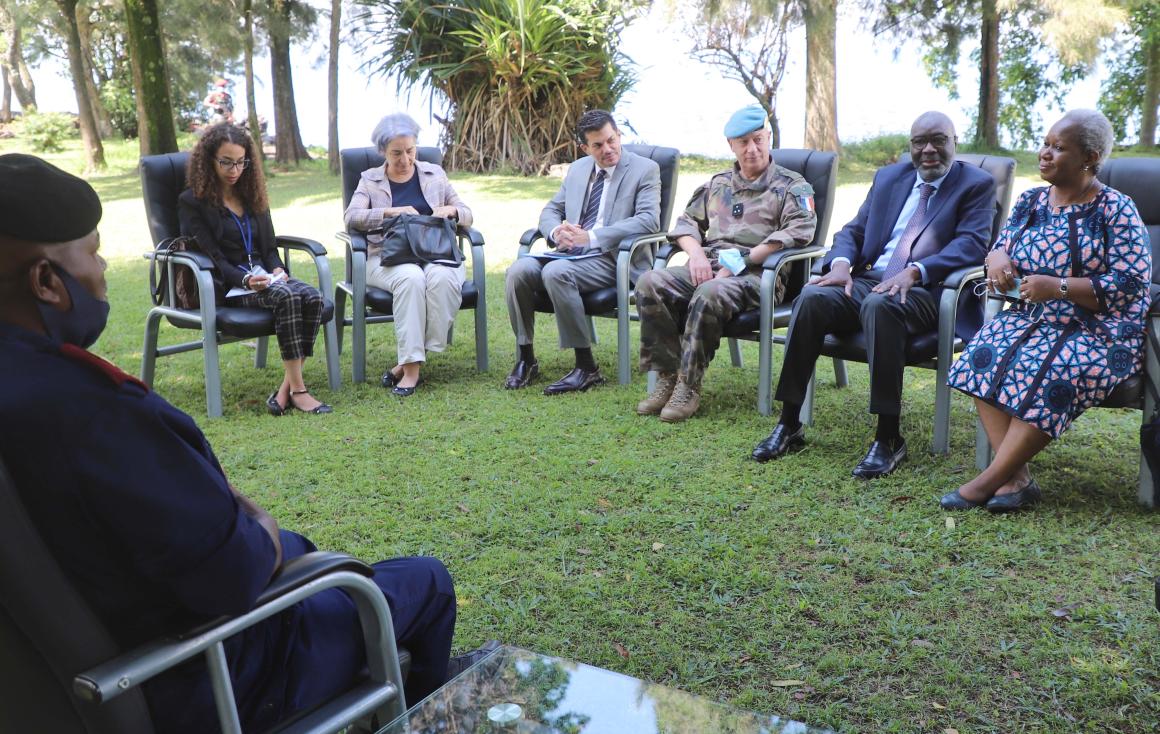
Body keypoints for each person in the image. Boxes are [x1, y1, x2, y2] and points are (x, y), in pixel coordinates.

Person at [0, 153, 494, 734]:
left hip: (85, 681)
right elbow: (234, 574)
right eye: (93, 251)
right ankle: (422, 710)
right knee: (425, 581)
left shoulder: (28, 395)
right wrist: (258, 519)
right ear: (45, 281)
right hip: (219, 673)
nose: (103, 268)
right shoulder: (96, 413)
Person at [752, 111, 996, 476]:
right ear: (910, 146)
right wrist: (839, 265)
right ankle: (789, 422)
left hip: (929, 288)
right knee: (812, 298)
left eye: (938, 140)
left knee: (882, 305)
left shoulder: (976, 184)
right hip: (871, 279)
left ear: (954, 142)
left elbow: (972, 245)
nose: (929, 150)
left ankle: (888, 437)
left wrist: (916, 270)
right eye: (919, 142)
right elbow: (853, 231)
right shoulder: (889, 178)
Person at [941, 109, 1151, 511]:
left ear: (1089, 157)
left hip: (1100, 330)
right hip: (1033, 319)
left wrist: (1058, 287)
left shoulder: (1116, 209)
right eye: (1045, 144)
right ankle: (1015, 479)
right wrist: (997, 258)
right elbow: (1002, 245)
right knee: (979, 354)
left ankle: (988, 481)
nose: (1045, 154)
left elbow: (1132, 283)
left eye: (1058, 148)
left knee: (1054, 367)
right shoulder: (1031, 201)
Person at [634, 104, 817, 422]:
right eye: (743, 142)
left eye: (758, 139)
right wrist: (696, 255)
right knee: (650, 281)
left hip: (759, 275)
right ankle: (667, 376)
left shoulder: (792, 186)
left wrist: (741, 262)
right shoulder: (717, 184)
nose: (752, 148)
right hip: (710, 265)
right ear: (731, 145)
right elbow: (685, 225)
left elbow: (799, 231)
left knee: (710, 292)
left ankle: (688, 385)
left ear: (768, 137)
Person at [504, 109, 661, 394]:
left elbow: (649, 220)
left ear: (619, 135)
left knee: (556, 272)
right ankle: (526, 358)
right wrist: (556, 231)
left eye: (611, 140)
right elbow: (551, 209)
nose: (608, 149)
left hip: (615, 258)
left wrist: (591, 237)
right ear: (584, 148)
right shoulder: (577, 169)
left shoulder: (645, 169)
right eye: (598, 145)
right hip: (572, 254)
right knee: (518, 270)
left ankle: (586, 367)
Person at [179, 123, 332, 415]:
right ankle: (300, 391)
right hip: (229, 285)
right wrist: (247, 280)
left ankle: (286, 389)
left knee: (313, 297)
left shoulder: (253, 194)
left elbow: (270, 248)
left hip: (266, 280)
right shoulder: (192, 202)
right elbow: (213, 258)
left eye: (241, 162)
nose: (234, 170)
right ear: (209, 161)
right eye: (226, 162)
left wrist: (277, 270)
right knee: (288, 297)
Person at [344, 113, 473, 396]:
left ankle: (405, 363)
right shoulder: (370, 180)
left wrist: (452, 210)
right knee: (411, 278)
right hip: (387, 256)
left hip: (436, 253)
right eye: (396, 153)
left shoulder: (434, 174)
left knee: (441, 279)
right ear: (382, 151)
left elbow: (467, 213)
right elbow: (352, 217)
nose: (405, 159)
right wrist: (390, 212)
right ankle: (412, 370)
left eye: (410, 151)